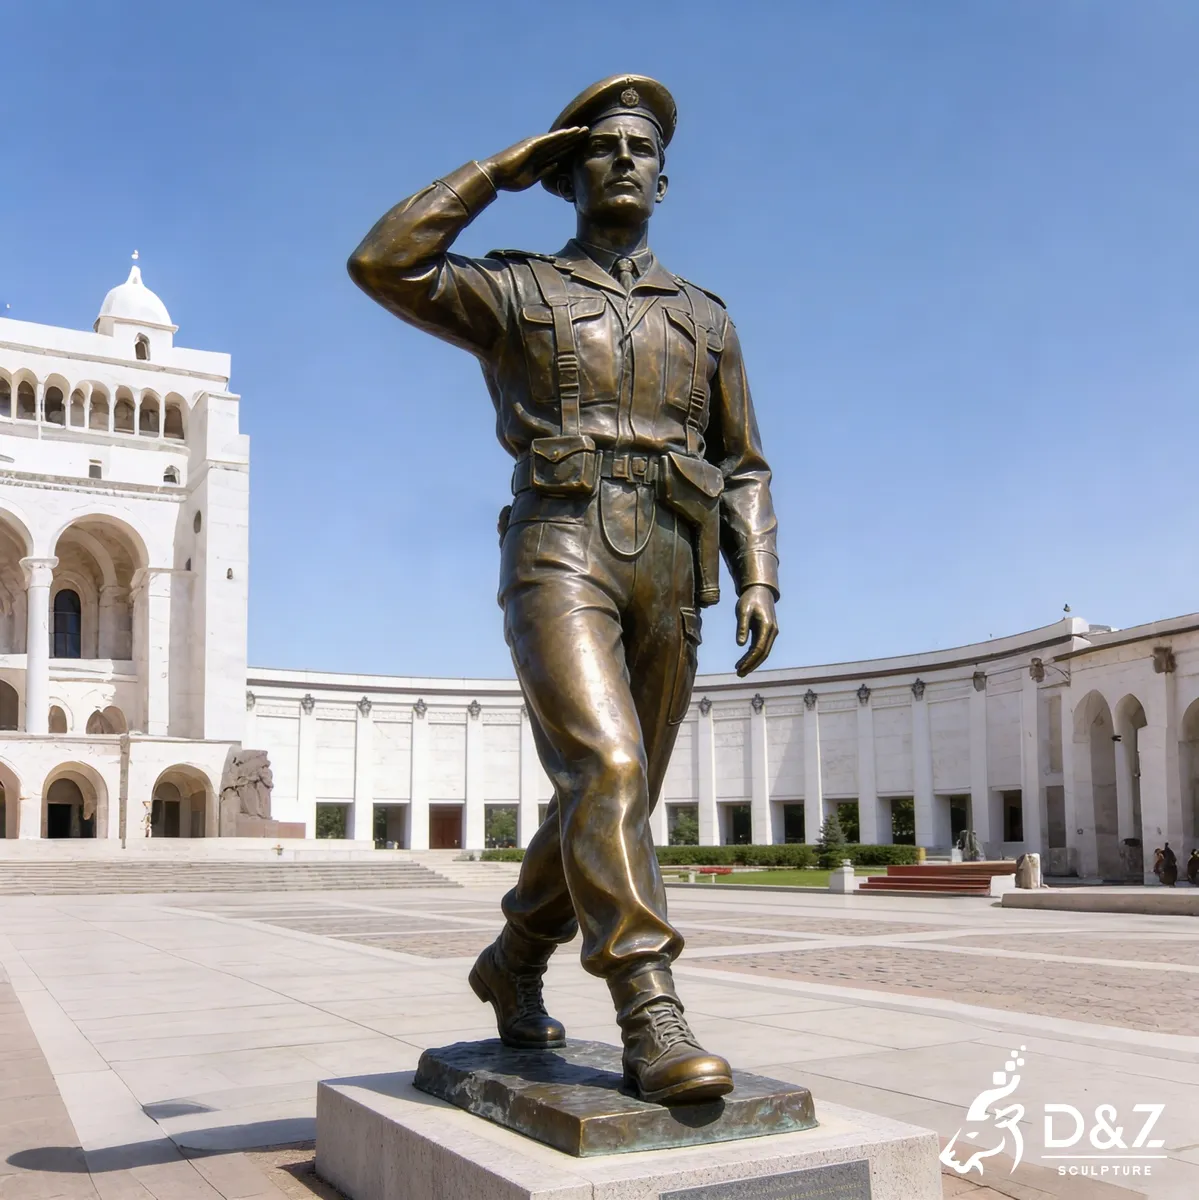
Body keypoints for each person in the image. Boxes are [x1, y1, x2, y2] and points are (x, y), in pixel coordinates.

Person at [348, 75, 779, 1105]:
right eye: (599, 146)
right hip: (560, 542)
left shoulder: (707, 319)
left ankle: (512, 959)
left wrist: (757, 573)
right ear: (564, 172)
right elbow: (384, 261)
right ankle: (647, 1005)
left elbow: (744, 463)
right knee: (609, 765)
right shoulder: (518, 291)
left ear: (663, 181)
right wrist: (494, 172)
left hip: (673, 560)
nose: (622, 158)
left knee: (603, 794)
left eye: (640, 148)